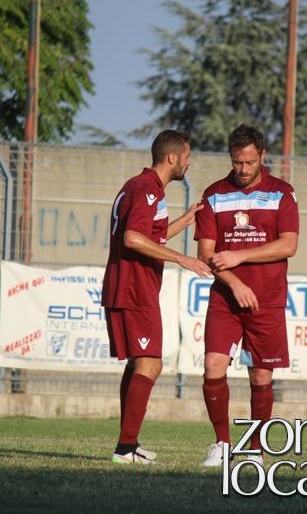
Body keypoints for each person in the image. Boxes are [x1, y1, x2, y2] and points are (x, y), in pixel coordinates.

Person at [102, 129, 211, 464]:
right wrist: (183, 259)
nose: (189, 163)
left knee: (139, 362)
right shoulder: (148, 189)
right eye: (187, 157)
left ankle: (128, 444)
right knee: (150, 362)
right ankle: (125, 448)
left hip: (129, 286)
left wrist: (186, 220)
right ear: (172, 157)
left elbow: (151, 235)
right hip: (134, 288)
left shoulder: (138, 185)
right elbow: (133, 238)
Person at [194, 124, 299, 467]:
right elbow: (205, 253)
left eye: (249, 162)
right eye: (237, 162)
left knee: (261, 376)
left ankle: (255, 449)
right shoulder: (214, 194)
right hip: (225, 299)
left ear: (262, 156)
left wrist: (239, 256)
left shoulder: (282, 193)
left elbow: (289, 245)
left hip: (267, 299)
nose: (242, 169)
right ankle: (222, 444)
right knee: (213, 366)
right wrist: (234, 283)